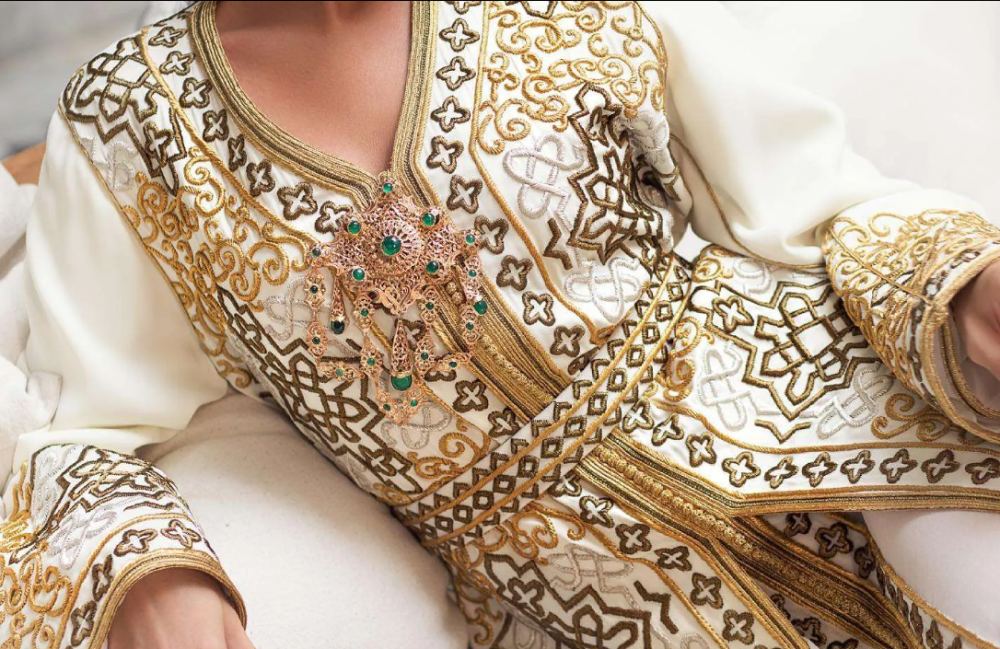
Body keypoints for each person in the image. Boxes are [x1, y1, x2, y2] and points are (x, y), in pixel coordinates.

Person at [13, 1, 1000, 647]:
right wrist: (144, 576)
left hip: (838, 411)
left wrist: (965, 283)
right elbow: (77, 425)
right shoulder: (131, 122)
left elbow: (816, 200)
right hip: (573, 595)